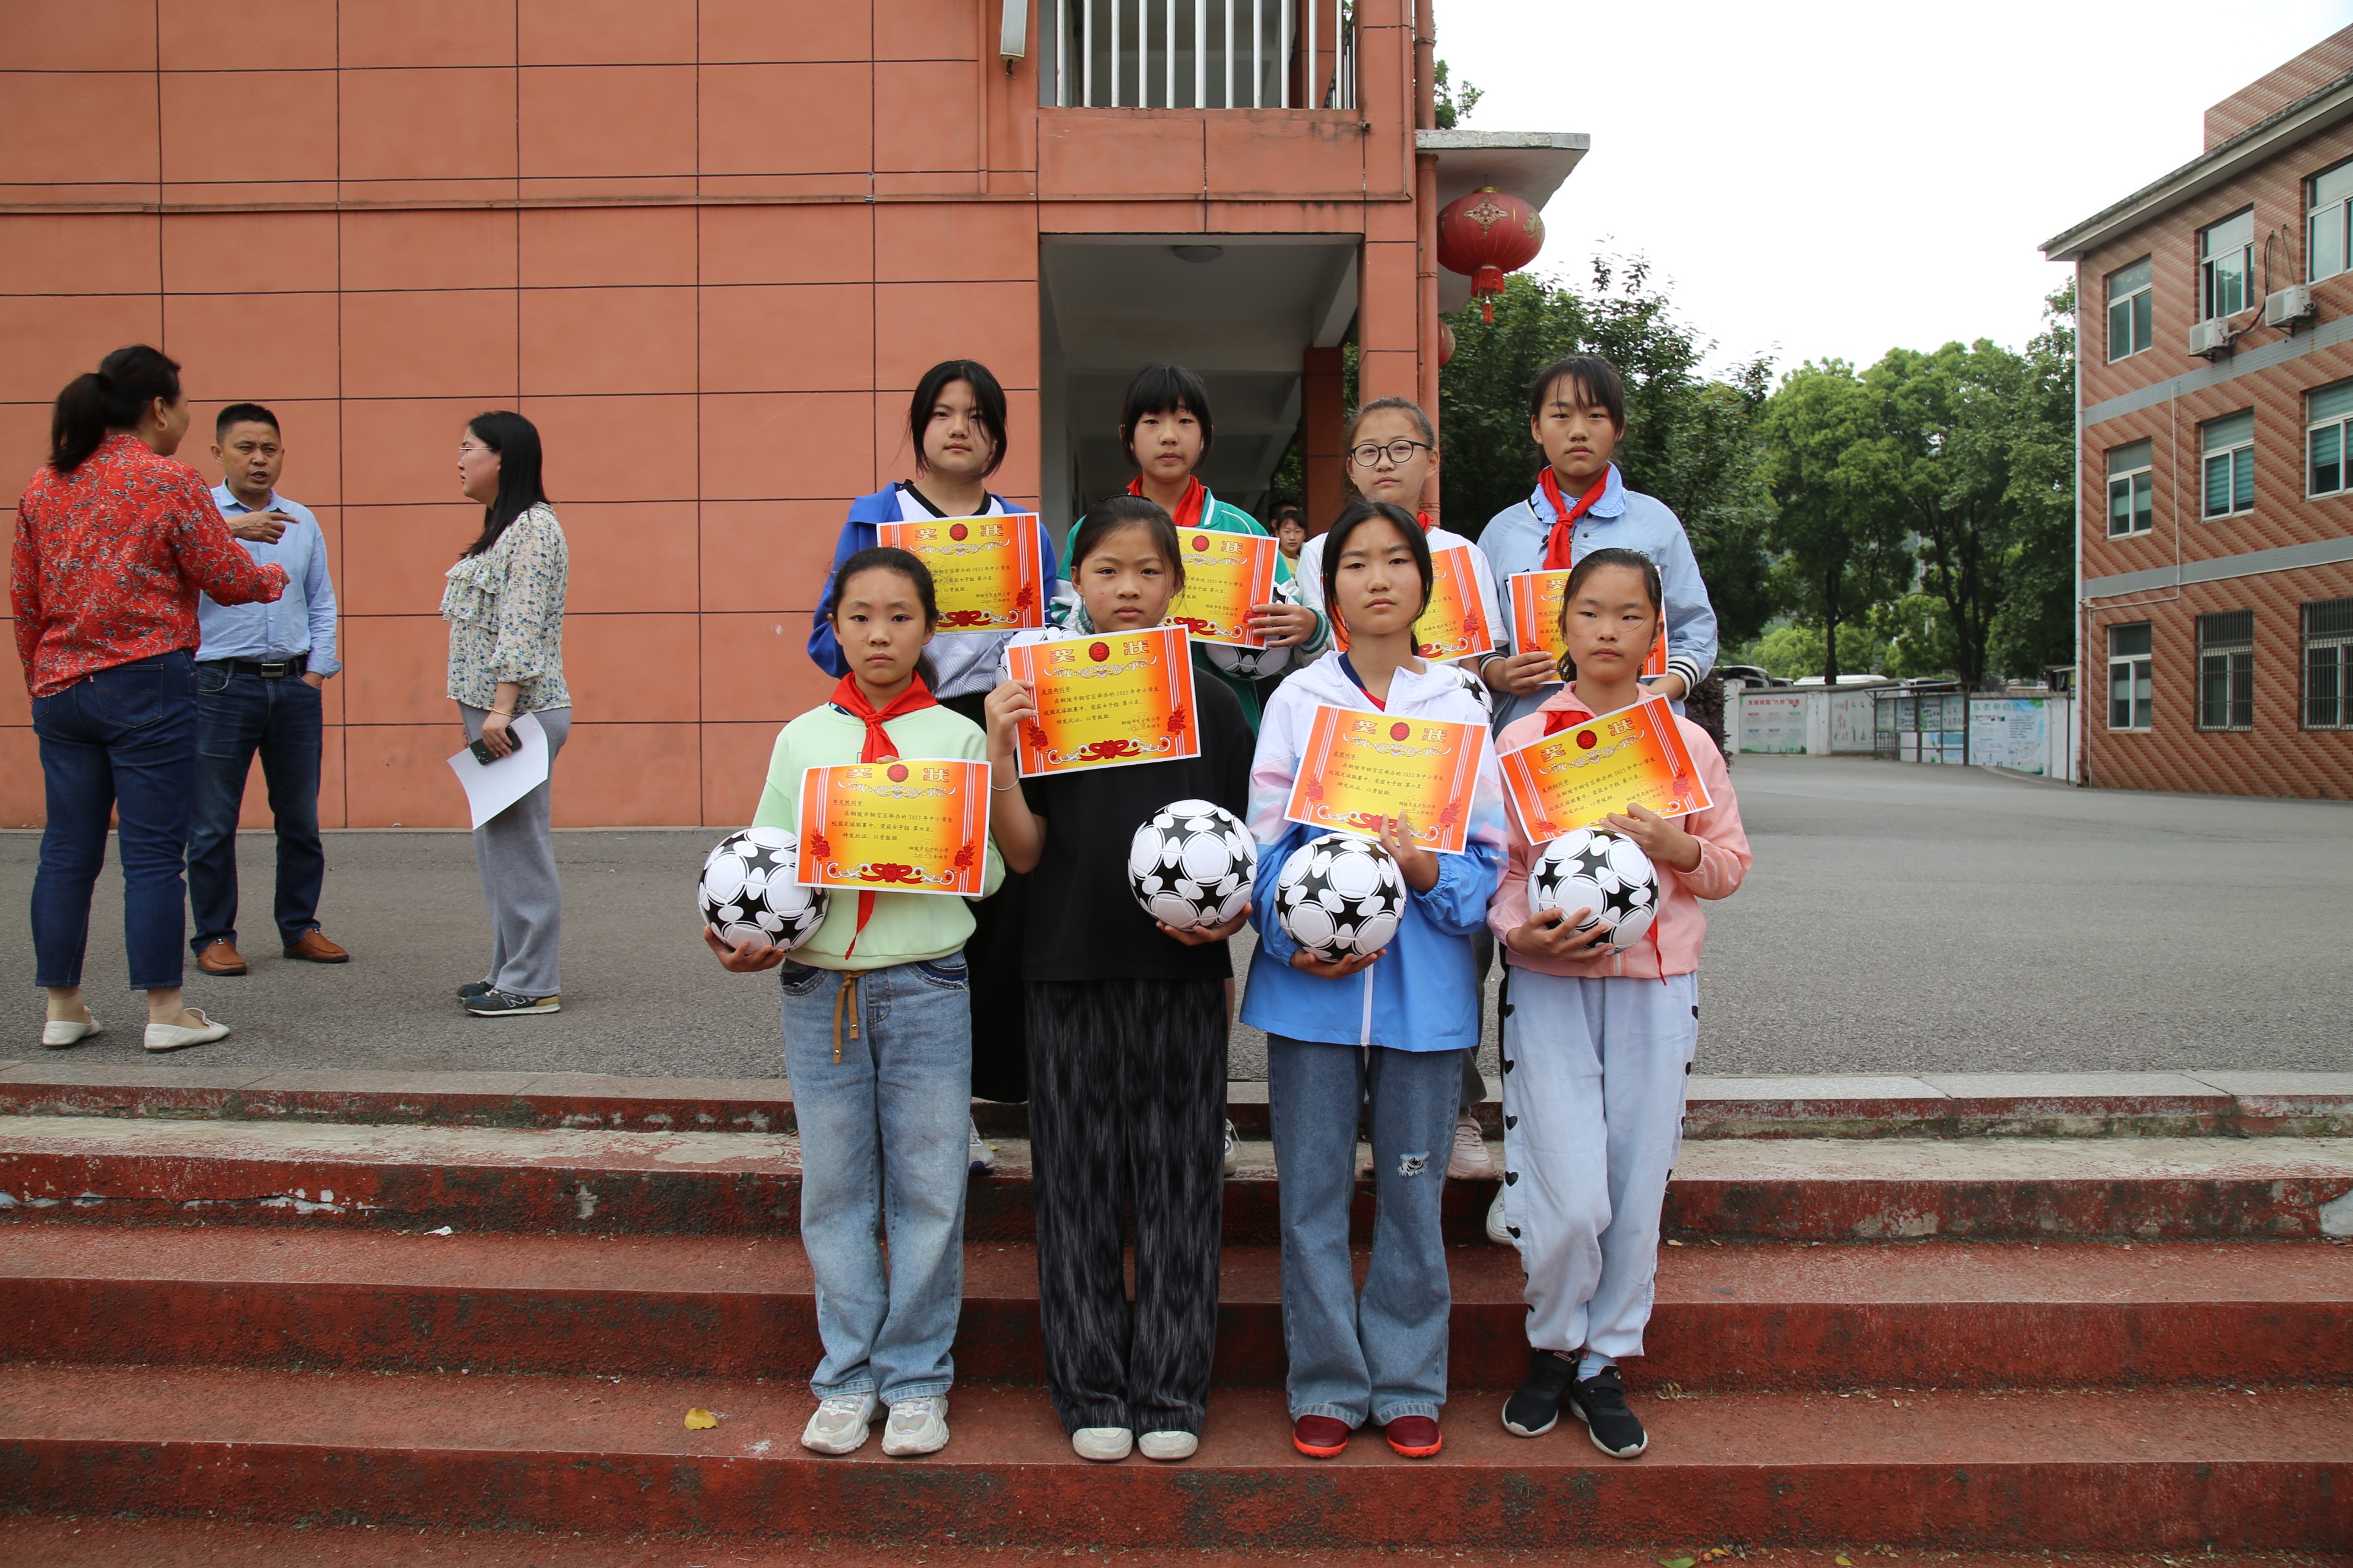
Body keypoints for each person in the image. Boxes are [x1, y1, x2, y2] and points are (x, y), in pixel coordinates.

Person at [709, 546, 1000, 1460]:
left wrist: (935, 842)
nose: (880, 633)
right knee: (835, 1187)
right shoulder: (803, 738)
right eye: (861, 615)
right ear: (833, 627)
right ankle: (845, 1375)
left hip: (928, 984)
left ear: (931, 629)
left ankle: (916, 1377)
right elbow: (758, 861)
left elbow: (986, 874)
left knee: (928, 1185)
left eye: (901, 616)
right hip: (818, 985)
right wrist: (736, 939)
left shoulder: (956, 739)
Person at [983, 495, 1255, 1465]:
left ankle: (1174, 1385)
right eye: (1107, 571)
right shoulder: (1042, 693)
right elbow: (1022, 855)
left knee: (1182, 1183)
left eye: (1147, 570)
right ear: (1076, 585)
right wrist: (1002, 752)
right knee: (1076, 1187)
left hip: (1177, 976)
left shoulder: (1216, 705)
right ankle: (1092, 1382)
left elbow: (1240, 854)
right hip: (1065, 967)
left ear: (1176, 583)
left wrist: (1222, 933)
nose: (1128, 588)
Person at [1238, 500, 1507, 1462]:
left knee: (1409, 1195)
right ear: (1329, 583)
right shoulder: (1299, 701)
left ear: (1425, 585)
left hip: (1425, 998)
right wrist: (1288, 928)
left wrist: (1430, 872)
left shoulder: (1459, 705)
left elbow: (1491, 864)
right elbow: (1262, 849)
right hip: (1309, 990)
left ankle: (1405, 1380)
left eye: (1399, 560)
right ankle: (1324, 1381)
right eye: (1357, 562)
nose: (1380, 577)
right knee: (1309, 1195)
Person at [1488, 547, 1749, 1459]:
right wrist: (1519, 931)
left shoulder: (1687, 741)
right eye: (1589, 612)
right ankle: (1552, 1340)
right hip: (1552, 986)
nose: (1607, 629)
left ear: (1654, 631)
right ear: (1562, 626)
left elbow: (1728, 867)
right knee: (1565, 1189)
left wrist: (1676, 846)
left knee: (1635, 1187)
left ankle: (1602, 1357)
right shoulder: (1523, 738)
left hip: (1655, 985)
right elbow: (1504, 868)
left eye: (1628, 614)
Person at [808, 361, 1058, 1149]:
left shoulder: (1025, 530)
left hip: (995, 730)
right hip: (904, 728)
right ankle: (925, 1113)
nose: (959, 427)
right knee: (918, 911)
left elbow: (1047, 635)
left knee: (999, 918)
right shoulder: (875, 516)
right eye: (943, 412)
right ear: (918, 427)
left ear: (997, 436)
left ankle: (982, 1100)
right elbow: (829, 633)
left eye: (978, 415)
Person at [12, 345, 288, 1053]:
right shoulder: (169, 480)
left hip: (62, 688)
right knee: (152, 856)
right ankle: (165, 1012)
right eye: (185, 406)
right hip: (148, 684)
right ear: (159, 409)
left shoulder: (46, 484)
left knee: (66, 853)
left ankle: (63, 1008)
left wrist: (41, 676)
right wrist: (272, 578)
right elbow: (224, 575)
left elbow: (26, 598)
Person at [1291, 397, 1506, 1182]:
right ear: (1347, 466)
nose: (1385, 461)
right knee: (1336, 913)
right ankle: (1353, 1105)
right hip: (1341, 763)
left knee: (1453, 933)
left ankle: (1452, 1107)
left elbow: (1478, 661)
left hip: (1436, 761)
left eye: (1401, 447)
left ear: (1429, 460)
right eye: (1368, 450)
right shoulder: (1315, 551)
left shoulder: (1463, 553)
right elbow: (1306, 658)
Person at [185, 402, 350, 977]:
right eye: (245, 448)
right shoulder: (193, 514)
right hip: (219, 685)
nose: (259, 460)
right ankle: (214, 935)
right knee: (211, 821)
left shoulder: (302, 520)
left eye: (269, 449)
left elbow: (322, 600)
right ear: (218, 453)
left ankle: (300, 928)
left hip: (293, 687)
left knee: (299, 818)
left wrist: (316, 673)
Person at [1475, 355, 1717, 738]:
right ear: (1536, 428)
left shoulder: (1656, 524)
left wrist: (1657, 694)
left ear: (1618, 427)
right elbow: (1481, 638)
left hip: (1638, 734)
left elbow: (1696, 628)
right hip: (1530, 738)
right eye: (1561, 416)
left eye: (1595, 416)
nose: (1577, 431)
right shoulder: (1501, 532)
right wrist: (1499, 673)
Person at [1091, 362, 1323, 726]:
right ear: (1128, 437)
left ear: (1205, 436)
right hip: (1125, 717)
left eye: (1185, 421)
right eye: (1152, 422)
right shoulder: (1094, 530)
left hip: (1226, 720)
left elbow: (1287, 615)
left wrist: (1305, 624)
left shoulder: (1243, 530)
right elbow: (1061, 621)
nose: (1169, 436)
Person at [443, 411, 570, 1018]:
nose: (459, 460)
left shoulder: (534, 530)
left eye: (468, 449)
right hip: (496, 714)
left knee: (519, 846)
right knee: (499, 845)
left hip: (516, 715)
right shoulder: (505, 529)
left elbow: (519, 627)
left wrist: (500, 710)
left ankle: (533, 980)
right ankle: (507, 970)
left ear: (503, 457)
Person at [1271, 504, 1307, 568]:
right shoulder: (1272, 561)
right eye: (1287, 532)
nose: (1292, 537)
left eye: (1298, 532)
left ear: (1305, 535)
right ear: (1278, 534)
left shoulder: (1306, 562)